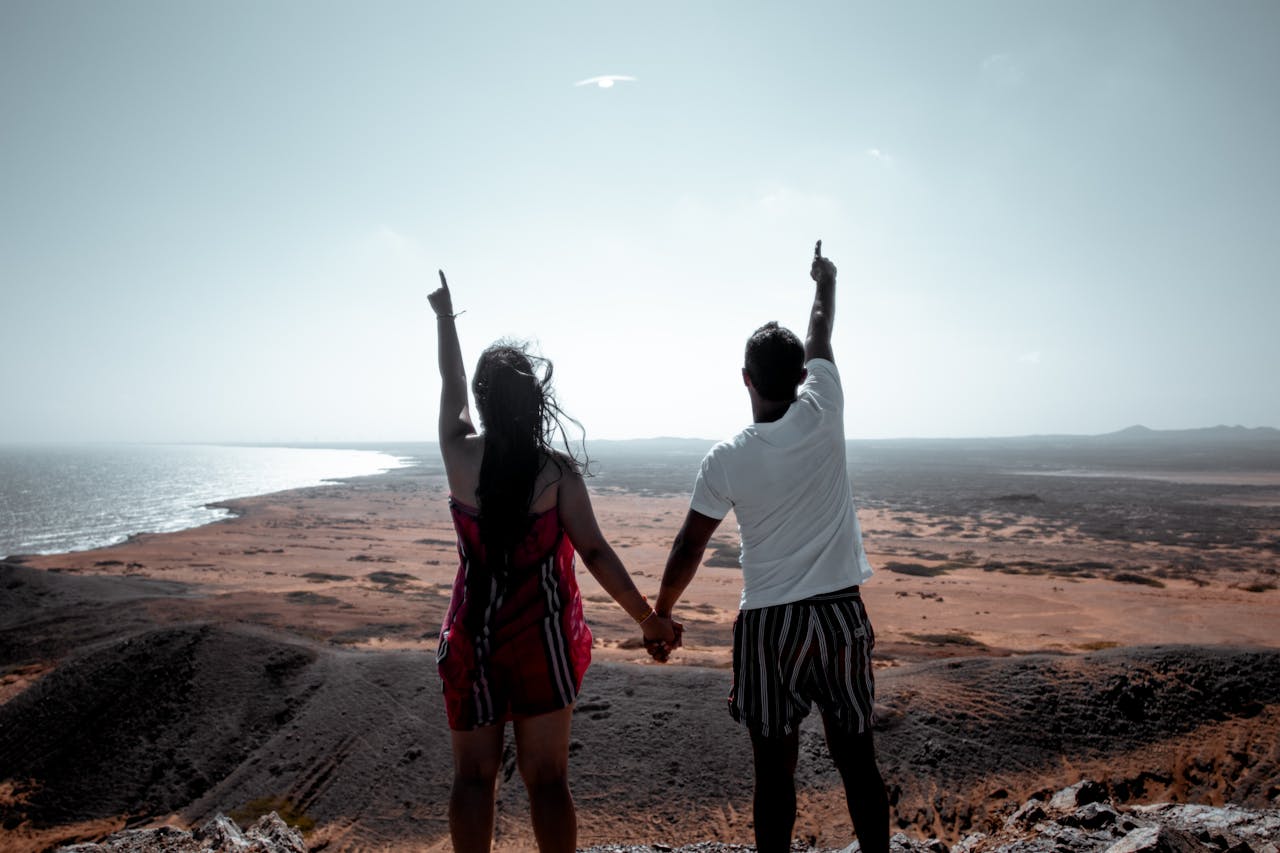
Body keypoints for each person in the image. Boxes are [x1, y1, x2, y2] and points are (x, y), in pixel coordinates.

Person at [428, 271, 680, 853]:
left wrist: (445, 318)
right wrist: (649, 620)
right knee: (548, 781)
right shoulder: (557, 473)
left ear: (487, 402)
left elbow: (451, 383)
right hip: (543, 643)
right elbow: (594, 551)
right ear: (534, 401)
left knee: (472, 779)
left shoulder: (459, 455)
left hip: (474, 639)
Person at [651, 242, 889, 853]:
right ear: (803, 376)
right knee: (857, 761)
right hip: (840, 612)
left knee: (772, 776)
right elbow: (819, 329)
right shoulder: (825, 406)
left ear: (746, 380)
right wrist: (825, 280)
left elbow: (689, 544)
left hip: (769, 624)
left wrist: (662, 611)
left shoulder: (726, 459)